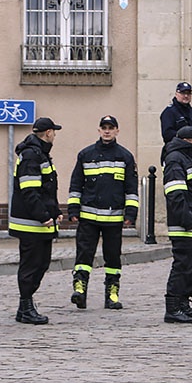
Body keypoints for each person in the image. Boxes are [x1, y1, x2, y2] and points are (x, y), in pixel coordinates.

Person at [67, 115, 139, 310]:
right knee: (84, 256)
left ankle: (112, 294)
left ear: (117, 131)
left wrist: (131, 214)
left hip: (114, 218)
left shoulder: (125, 156)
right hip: (88, 217)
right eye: (104, 127)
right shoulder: (86, 154)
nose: (107, 131)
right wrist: (73, 209)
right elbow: (76, 184)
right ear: (99, 130)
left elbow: (131, 188)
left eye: (111, 127)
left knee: (113, 258)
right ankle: (80, 290)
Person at [9, 117, 63, 325]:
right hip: (30, 223)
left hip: (41, 223)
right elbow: (30, 191)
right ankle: (25, 306)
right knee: (31, 265)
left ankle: (26, 306)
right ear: (48, 133)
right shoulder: (32, 155)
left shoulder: (41, 154)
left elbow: (47, 190)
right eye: (54, 132)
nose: (55, 136)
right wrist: (44, 216)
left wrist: (55, 211)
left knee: (41, 264)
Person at [162, 125, 192, 323]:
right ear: (187, 141)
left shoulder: (189, 159)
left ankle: (184, 303)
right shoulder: (175, 160)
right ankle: (173, 307)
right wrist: (187, 220)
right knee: (183, 266)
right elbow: (175, 194)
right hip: (185, 226)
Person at [160, 82, 192, 163]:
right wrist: (185, 138)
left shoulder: (191, 112)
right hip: (174, 153)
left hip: (191, 154)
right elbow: (167, 134)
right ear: (176, 94)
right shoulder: (169, 112)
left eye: (188, 93)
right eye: (183, 93)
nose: (186, 96)